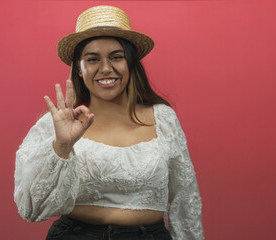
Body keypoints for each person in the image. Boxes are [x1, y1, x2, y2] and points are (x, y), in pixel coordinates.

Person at [14, 5, 204, 240]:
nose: (106, 68)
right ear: (79, 70)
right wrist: (62, 147)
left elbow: (184, 198)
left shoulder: (163, 118)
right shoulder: (55, 124)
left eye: (116, 57)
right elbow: (31, 209)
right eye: (92, 59)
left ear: (131, 64)